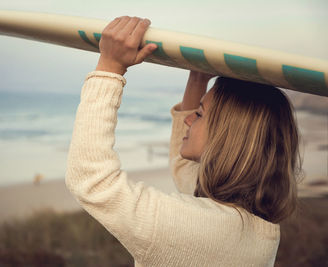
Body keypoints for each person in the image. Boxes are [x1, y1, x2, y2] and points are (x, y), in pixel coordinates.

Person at [65, 16, 302, 266]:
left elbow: (92, 181)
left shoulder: (193, 230)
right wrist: (198, 80)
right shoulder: (256, 228)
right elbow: (184, 167)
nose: (188, 121)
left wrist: (110, 68)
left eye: (199, 115)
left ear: (226, 137)